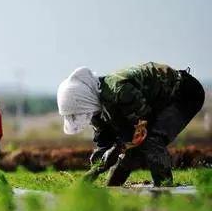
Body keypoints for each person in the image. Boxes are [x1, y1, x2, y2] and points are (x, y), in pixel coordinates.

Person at [57, 63, 205, 186]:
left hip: (185, 93)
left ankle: (165, 189)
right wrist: (98, 163)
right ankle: (111, 188)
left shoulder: (118, 91)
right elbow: (104, 139)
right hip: (156, 105)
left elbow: (143, 123)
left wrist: (118, 148)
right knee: (130, 150)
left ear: (84, 100)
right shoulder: (96, 109)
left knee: (153, 140)